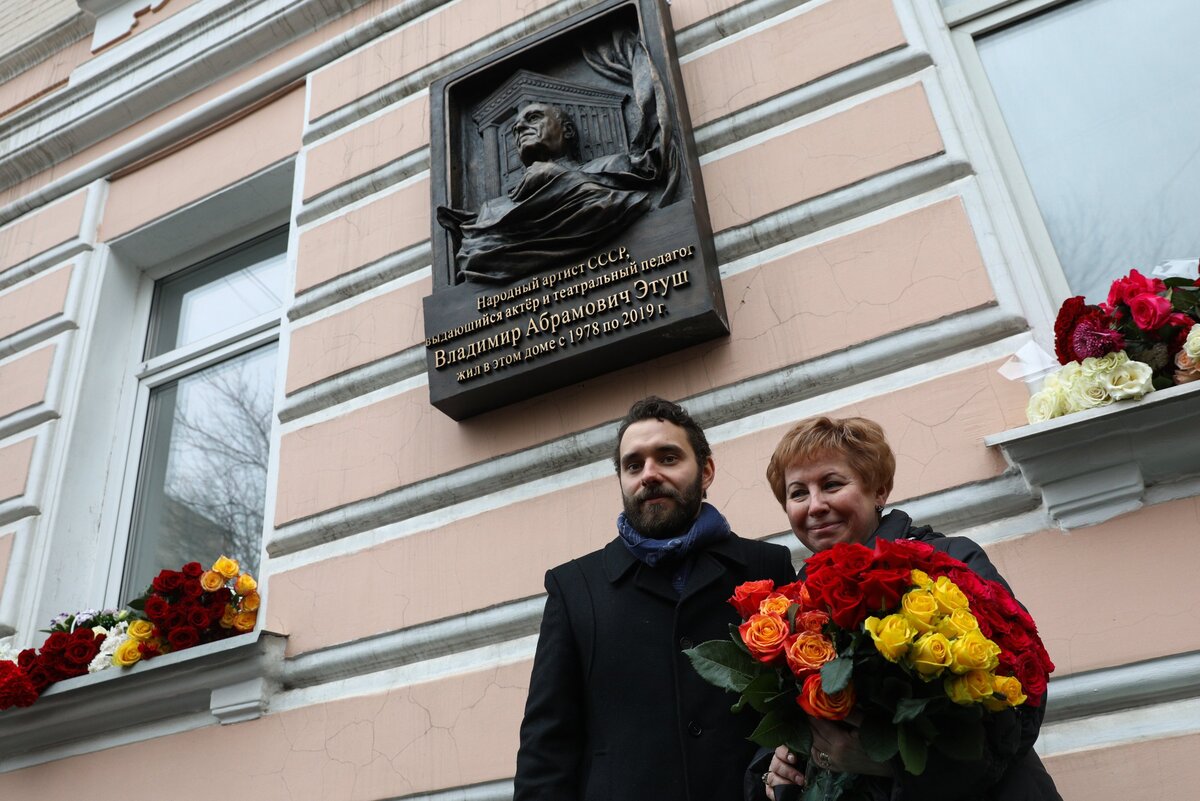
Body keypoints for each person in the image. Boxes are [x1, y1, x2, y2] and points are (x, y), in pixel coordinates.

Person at [752, 416, 1062, 801]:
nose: (815, 506)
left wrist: (890, 764)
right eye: (798, 493)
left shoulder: (948, 562)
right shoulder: (795, 606)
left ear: (879, 490)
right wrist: (777, 766)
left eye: (831, 485)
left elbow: (1021, 703)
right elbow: (787, 720)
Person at [514, 396, 796, 801]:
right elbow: (547, 747)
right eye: (634, 465)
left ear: (706, 470)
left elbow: (796, 710)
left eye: (667, 458)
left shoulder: (766, 567)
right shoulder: (574, 588)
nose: (649, 474)